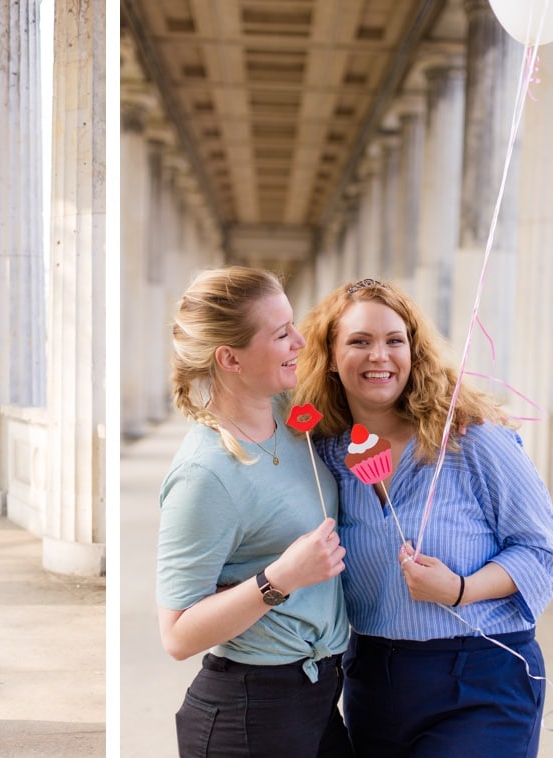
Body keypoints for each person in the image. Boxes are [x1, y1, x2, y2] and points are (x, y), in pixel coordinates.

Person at [293, 277, 553, 758]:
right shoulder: (325, 456)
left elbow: (541, 552)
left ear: (414, 353)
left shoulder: (472, 440)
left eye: (395, 341)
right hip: (373, 681)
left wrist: (461, 589)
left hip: (480, 678)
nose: (380, 355)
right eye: (360, 341)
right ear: (331, 359)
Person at [157, 266, 352, 758]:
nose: (300, 342)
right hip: (250, 713)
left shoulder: (292, 415)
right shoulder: (205, 475)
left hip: (319, 692)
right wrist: (279, 578)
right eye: (282, 333)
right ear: (230, 358)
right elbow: (178, 635)